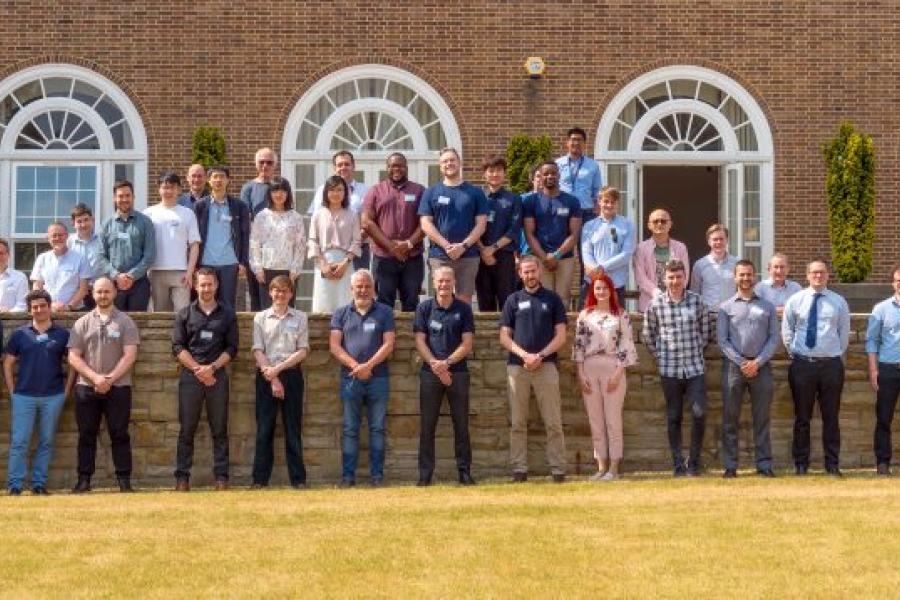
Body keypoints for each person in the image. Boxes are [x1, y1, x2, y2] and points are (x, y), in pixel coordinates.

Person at [67, 277, 140, 493]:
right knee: (86, 435)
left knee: (120, 434)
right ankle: (84, 480)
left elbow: (130, 355)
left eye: (107, 291)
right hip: (86, 388)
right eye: (99, 292)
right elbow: (73, 357)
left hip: (118, 388)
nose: (102, 296)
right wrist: (95, 378)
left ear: (115, 293)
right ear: (92, 294)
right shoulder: (81, 323)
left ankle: (124, 481)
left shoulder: (126, 322)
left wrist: (109, 379)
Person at [499, 255, 568, 483]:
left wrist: (540, 355)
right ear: (520, 273)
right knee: (518, 422)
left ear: (539, 271)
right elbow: (504, 337)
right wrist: (525, 355)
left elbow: (561, 336)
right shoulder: (512, 300)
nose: (529, 275)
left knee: (553, 421)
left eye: (533, 271)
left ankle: (558, 470)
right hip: (517, 368)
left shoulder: (553, 299)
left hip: (546, 366)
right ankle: (519, 470)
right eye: (525, 271)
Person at [171, 268, 239, 491]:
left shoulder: (227, 314)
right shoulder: (184, 314)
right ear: (195, 286)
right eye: (202, 285)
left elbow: (232, 347)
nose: (206, 289)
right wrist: (198, 369)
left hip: (217, 376)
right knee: (187, 429)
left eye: (210, 284)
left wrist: (212, 368)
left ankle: (221, 478)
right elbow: (178, 347)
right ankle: (182, 479)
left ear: (216, 285)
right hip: (190, 377)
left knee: (219, 429)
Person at [643, 259, 712, 476]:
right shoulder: (655, 305)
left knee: (699, 413)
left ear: (685, 278)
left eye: (679, 277)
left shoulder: (697, 302)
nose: (675, 281)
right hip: (669, 370)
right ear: (664, 279)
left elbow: (706, 332)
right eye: (671, 277)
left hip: (695, 370)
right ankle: (678, 465)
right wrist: (660, 356)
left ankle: (694, 463)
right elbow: (648, 335)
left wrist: (695, 350)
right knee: (674, 416)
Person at [782, 260, 850, 476]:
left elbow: (843, 333)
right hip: (803, 365)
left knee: (831, 417)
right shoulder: (796, 300)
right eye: (814, 272)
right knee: (802, 417)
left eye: (821, 272)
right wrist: (796, 353)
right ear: (807, 275)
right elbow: (787, 330)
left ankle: (832, 465)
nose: (818, 276)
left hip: (831, 366)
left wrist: (832, 353)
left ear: (828, 275)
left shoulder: (839, 302)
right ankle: (801, 464)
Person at [329, 269, 396, 487]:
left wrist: (368, 366)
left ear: (373, 288)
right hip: (351, 379)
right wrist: (356, 367)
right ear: (351, 289)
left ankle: (377, 476)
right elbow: (334, 345)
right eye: (359, 286)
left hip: (379, 378)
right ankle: (348, 477)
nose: (363, 290)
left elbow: (389, 344)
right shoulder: (340, 313)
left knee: (377, 428)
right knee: (350, 428)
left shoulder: (384, 312)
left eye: (367, 286)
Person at [4, 290, 71, 495]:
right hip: (24, 396)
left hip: (53, 396)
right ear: (29, 310)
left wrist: (66, 390)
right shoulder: (19, 334)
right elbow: (7, 363)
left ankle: (38, 484)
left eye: (42, 306)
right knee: (19, 442)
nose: (39, 310)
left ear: (49, 307)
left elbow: (73, 364)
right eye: (35, 307)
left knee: (46, 441)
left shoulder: (62, 334)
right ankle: (15, 486)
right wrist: (12, 391)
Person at [414, 266, 476, 486]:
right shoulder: (424, 308)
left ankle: (464, 472)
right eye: (440, 281)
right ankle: (425, 475)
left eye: (448, 281)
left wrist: (447, 363)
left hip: (457, 373)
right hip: (430, 373)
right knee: (427, 425)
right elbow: (420, 340)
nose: (444, 285)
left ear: (454, 282)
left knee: (461, 424)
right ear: (434, 282)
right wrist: (435, 365)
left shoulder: (464, 309)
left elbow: (467, 343)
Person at [572, 272, 637, 481]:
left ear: (611, 290)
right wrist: (580, 373)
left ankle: (614, 468)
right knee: (595, 420)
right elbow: (579, 345)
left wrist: (619, 372)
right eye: (597, 288)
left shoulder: (620, 315)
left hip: (612, 367)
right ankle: (600, 466)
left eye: (605, 288)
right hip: (590, 367)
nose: (601, 291)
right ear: (592, 291)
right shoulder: (585, 315)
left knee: (613, 419)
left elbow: (626, 344)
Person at [717, 260, 779, 478]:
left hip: (761, 367)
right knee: (730, 418)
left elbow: (774, 339)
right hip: (734, 368)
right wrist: (742, 362)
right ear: (735, 278)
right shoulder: (726, 307)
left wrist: (757, 362)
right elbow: (723, 340)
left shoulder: (767, 307)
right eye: (741, 275)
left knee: (761, 419)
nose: (745, 278)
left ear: (755, 277)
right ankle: (730, 466)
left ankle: (763, 465)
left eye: (749, 274)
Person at [250, 275, 309, 489]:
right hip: (266, 376)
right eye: (276, 290)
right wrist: (273, 376)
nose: (280, 294)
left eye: (284, 290)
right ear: (270, 292)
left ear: (291, 294)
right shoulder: (260, 318)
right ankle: (259, 480)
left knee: (293, 428)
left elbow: (303, 350)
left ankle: (298, 480)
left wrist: (279, 370)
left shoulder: (301, 317)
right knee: (264, 428)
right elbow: (257, 349)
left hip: (291, 375)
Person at [419, 147, 489, 304]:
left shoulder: (475, 192)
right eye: (445, 161)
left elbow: (481, 224)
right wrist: (446, 246)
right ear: (440, 165)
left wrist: (463, 246)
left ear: (459, 163)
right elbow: (425, 223)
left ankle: (463, 329)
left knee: (464, 300)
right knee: (442, 298)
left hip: (468, 255)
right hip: (440, 255)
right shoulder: (431, 192)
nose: (449, 163)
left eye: (452, 160)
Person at [361, 152, 426, 312]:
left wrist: (408, 243)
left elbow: (426, 222)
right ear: (387, 168)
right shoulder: (375, 191)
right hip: (384, 257)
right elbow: (367, 222)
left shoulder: (419, 191)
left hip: (412, 257)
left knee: (411, 302)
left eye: (400, 166)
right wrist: (392, 247)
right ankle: (386, 337)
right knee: (383, 303)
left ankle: (411, 337)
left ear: (406, 167)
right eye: (392, 166)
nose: (396, 169)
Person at [523, 162, 582, 305]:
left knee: (563, 301)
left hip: (565, 258)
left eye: (553, 173)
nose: (550, 176)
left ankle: (562, 328)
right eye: (546, 173)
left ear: (559, 175)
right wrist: (545, 257)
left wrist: (556, 255)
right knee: (542, 300)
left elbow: (575, 234)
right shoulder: (531, 201)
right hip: (540, 258)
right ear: (540, 177)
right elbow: (529, 233)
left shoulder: (571, 201)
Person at [194, 166, 251, 310]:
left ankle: (227, 333)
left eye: (222, 177)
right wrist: (194, 263)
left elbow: (245, 235)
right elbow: (193, 237)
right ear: (209, 181)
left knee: (227, 304)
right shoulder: (200, 206)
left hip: (229, 263)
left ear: (228, 180)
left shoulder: (239, 206)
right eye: (215, 177)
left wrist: (243, 261)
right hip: (206, 262)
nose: (218, 180)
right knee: (205, 302)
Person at [144, 172, 201, 312]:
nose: (168, 191)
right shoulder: (148, 214)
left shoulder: (187, 213)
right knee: (159, 315)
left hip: (181, 272)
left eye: (172, 187)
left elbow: (194, 245)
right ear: (159, 189)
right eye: (164, 187)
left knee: (183, 314)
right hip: (155, 271)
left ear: (179, 190)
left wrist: (190, 272)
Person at [248, 177, 306, 310]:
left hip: (288, 270)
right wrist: (257, 269)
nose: (279, 195)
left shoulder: (296, 217)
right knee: (267, 311)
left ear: (288, 194)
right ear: (269, 194)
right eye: (275, 191)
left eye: (283, 191)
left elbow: (300, 245)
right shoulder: (261, 216)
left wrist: (295, 269)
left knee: (287, 309)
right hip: (266, 270)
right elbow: (254, 243)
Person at [97, 179, 156, 311]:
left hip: (139, 283)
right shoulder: (106, 224)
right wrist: (117, 276)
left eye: (127, 195)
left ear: (133, 197)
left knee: (137, 325)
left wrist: (131, 276)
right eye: (120, 196)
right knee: (113, 326)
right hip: (113, 283)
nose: (124, 199)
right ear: (114, 198)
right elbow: (101, 256)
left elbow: (149, 255)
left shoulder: (145, 222)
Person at [307, 151, 370, 270]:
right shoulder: (322, 190)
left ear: (353, 166)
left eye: (347, 164)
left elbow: (369, 220)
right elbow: (316, 221)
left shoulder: (366, 190)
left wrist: (353, 245)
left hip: (359, 249)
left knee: (358, 287)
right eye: (339, 165)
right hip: (328, 252)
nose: (343, 167)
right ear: (334, 168)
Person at [475, 154, 521, 312]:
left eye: (499, 170)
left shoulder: (514, 199)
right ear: (484, 174)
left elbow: (514, 229)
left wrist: (492, 249)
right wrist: (483, 250)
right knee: (484, 302)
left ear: (504, 173)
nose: (495, 174)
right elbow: (471, 227)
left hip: (505, 257)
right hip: (480, 257)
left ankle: (506, 336)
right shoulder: (477, 197)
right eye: (491, 170)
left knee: (507, 302)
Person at [309, 176, 361, 313]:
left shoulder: (352, 214)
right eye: (332, 190)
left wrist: (345, 262)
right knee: (324, 302)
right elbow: (313, 240)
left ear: (345, 193)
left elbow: (357, 241)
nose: (336, 193)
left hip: (345, 262)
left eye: (340, 190)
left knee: (344, 301)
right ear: (326, 192)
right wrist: (323, 264)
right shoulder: (318, 214)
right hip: (323, 262)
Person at [867, 266, 900, 476]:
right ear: (893, 282)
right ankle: (882, 463)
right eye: (898, 280)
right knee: (884, 418)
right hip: (888, 370)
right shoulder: (881, 309)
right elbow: (872, 340)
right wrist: (873, 369)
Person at [580, 186, 635, 308]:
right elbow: (586, 252)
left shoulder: (627, 225)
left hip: (616, 284)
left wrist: (602, 268)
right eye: (606, 201)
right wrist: (595, 271)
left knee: (616, 322)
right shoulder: (589, 226)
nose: (609, 205)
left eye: (613, 202)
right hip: (592, 283)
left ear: (617, 203)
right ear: (599, 202)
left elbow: (626, 254)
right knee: (589, 320)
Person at [241, 147, 279, 311]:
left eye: (269, 162)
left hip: (277, 248)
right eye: (261, 162)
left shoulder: (279, 186)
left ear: (275, 165)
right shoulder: (248, 188)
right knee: (255, 290)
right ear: (256, 164)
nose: (265, 166)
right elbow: (245, 217)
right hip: (256, 247)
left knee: (276, 289)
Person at [633, 208, 690, 313]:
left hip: (675, 303)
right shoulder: (641, 248)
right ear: (649, 225)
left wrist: (673, 293)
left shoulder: (680, 247)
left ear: (670, 224)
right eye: (655, 221)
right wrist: (656, 293)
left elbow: (685, 275)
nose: (659, 224)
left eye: (663, 221)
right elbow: (640, 276)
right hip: (649, 304)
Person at [31, 221, 90, 312]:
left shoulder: (81, 258)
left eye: (60, 235)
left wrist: (68, 307)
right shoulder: (42, 259)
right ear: (48, 238)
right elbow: (37, 286)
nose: (57, 238)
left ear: (67, 236)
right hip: (47, 310)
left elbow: (83, 289)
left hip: (74, 311)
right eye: (54, 235)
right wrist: (49, 305)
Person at [556, 127, 603, 227]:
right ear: (567, 143)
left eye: (579, 140)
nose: (576, 143)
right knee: (562, 239)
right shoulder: (558, 164)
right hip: (563, 209)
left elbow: (597, 190)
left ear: (584, 144)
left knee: (585, 241)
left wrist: (598, 208)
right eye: (573, 140)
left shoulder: (593, 165)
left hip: (585, 210)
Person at [690, 223, 738, 311]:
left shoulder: (736, 263)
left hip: (731, 314)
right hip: (708, 315)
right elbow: (694, 293)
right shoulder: (700, 265)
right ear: (709, 241)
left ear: (727, 240)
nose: (718, 242)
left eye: (721, 239)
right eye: (715, 239)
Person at [67, 203, 103, 311]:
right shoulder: (69, 242)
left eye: (86, 220)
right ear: (73, 223)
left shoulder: (102, 241)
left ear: (93, 220)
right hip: (77, 293)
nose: (83, 224)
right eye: (79, 221)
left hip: (99, 291)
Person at [754, 252, 803, 317]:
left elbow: (801, 309)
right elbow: (756, 310)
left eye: (782, 267)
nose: (779, 271)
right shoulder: (760, 287)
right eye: (776, 267)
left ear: (788, 269)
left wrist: (770, 310)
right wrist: (787, 310)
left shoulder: (796, 288)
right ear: (769, 269)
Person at [0, 238, 28, 311]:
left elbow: (22, 305)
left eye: (1, 253)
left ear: (8, 255)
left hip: (11, 321)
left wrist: (8, 313)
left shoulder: (20, 277)